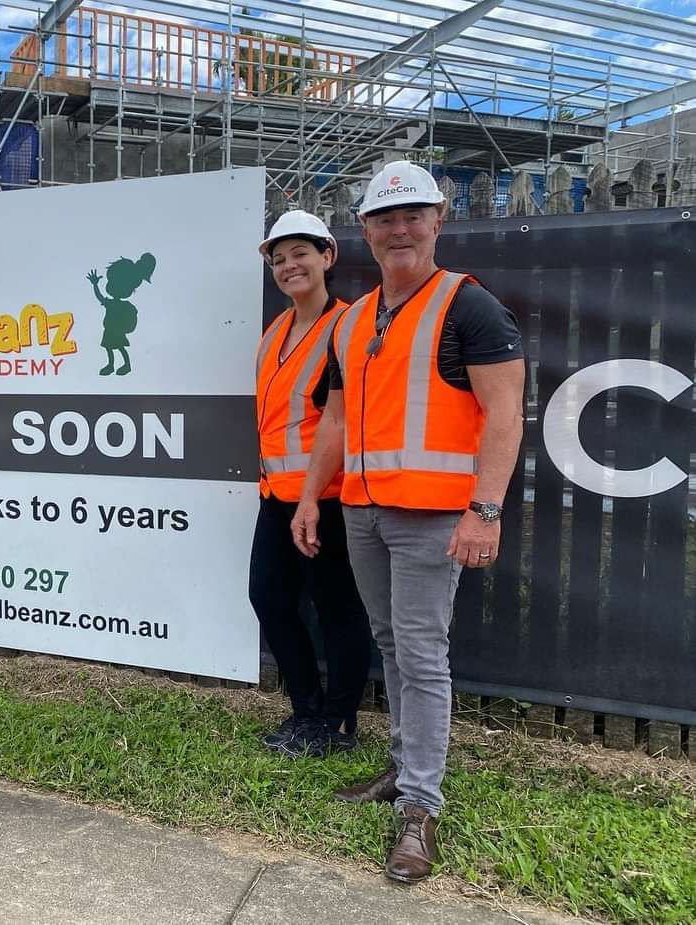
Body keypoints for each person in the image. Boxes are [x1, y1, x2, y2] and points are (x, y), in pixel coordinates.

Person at [291, 161, 525, 884]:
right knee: (392, 640)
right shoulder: (354, 320)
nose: (400, 229)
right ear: (364, 230)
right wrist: (310, 495)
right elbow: (336, 418)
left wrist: (484, 509)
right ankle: (403, 765)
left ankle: (420, 805)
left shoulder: (468, 306)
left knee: (421, 653)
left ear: (438, 220)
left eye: (413, 214)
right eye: (385, 218)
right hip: (362, 510)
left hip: (432, 519)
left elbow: (506, 414)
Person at [250, 210, 372, 758]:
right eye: (278, 259)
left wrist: (310, 497)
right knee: (269, 598)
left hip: (326, 499)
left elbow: (341, 421)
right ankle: (305, 710)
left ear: (328, 256)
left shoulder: (347, 327)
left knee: (337, 608)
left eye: (300, 253)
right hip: (277, 497)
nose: (288, 266)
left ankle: (338, 721)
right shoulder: (276, 330)